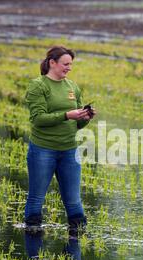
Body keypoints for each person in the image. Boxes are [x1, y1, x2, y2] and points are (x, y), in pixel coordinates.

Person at [24, 46, 95, 235]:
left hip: (70, 151)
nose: (69, 68)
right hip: (43, 150)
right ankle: (33, 246)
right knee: (36, 198)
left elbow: (76, 125)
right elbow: (38, 119)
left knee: (74, 200)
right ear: (52, 63)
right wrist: (66, 115)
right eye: (65, 64)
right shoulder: (38, 86)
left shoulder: (73, 87)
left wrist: (85, 118)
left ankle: (77, 241)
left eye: (71, 64)